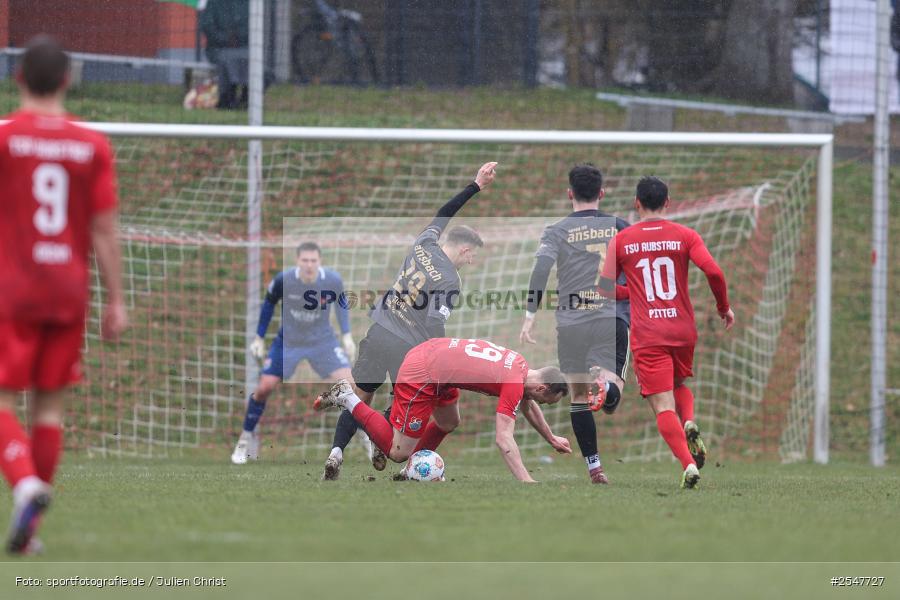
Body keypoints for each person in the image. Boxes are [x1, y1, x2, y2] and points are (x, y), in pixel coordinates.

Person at [0, 35, 128, 554]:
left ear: (18, 78)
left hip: (13, 288)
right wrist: (116, 299)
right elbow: (104, 230)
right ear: (68, 80)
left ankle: (24, 484)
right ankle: (29, 531)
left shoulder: (6, 139)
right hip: (68, 290)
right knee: (48, 410)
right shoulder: (91, 145)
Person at [321, 162, 497, 480]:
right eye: (472, 255)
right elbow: (434, 325)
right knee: (400, 406)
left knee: (358, 396)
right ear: (464, 249)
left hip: (379, 329)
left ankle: (335, 453)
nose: (471, 261)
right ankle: (381, 441)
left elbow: (444, 212)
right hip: (407, 348)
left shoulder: (423, 242)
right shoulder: (450, 279)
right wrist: (441, 357)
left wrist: (475, 185)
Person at [599, 176, 734, 489]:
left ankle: (689, 465)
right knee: (678, 384)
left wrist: (633, 293)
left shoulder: (622, 240)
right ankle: (689, 420)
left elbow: (605, 289)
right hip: (682, 329)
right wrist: (723, 307)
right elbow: (714, 272)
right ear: (668, 202)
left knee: (662, 406)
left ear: (637, 203)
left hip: (649, 333)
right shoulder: (685, 235)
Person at [315, 338, 572, 482]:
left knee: (449, 421)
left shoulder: (521, 366)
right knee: (397, 452)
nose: (541, 404)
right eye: (546, 401)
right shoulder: (515, 383)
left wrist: (550, 438)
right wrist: (527, 481)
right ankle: (348, 397)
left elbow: (528, 403)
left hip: (437, 360)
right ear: (542, 388)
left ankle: (412, 471)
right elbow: (504, 438)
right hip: (423, 372)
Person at [519, 163, 630, 485]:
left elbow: (540, 271)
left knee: (578, 397)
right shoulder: (621, 227)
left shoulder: (557, 230)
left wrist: (530, 315)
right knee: (611, 398)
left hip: (571, 323)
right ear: (601, 193)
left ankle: (595, 467)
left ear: (570, 194)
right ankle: (606, 386)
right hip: (611, 317)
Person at [231, 241, 356, 464]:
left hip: (322, 341)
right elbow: (269, 303)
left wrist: (346, 335)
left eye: (313, 260)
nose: (309, 265)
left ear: (319, 261)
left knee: (351, 385)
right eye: (305, 260)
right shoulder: (284, 280)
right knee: (264, 387)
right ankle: (244, 440)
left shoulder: (332, 280)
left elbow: (341, 304)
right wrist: (259, 337)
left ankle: (365, 438)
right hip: (288, 342)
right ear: (297, 261)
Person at [200, 0, 250, 110]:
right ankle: (227, 98)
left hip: (243, 47)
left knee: (258, 64)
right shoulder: (213, 3)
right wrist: (225, 38)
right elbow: (207, 26)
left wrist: (239, 36)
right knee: (227, 59)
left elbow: (252, 28)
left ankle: (246, 98)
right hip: (218, 48)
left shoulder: (248, 4)